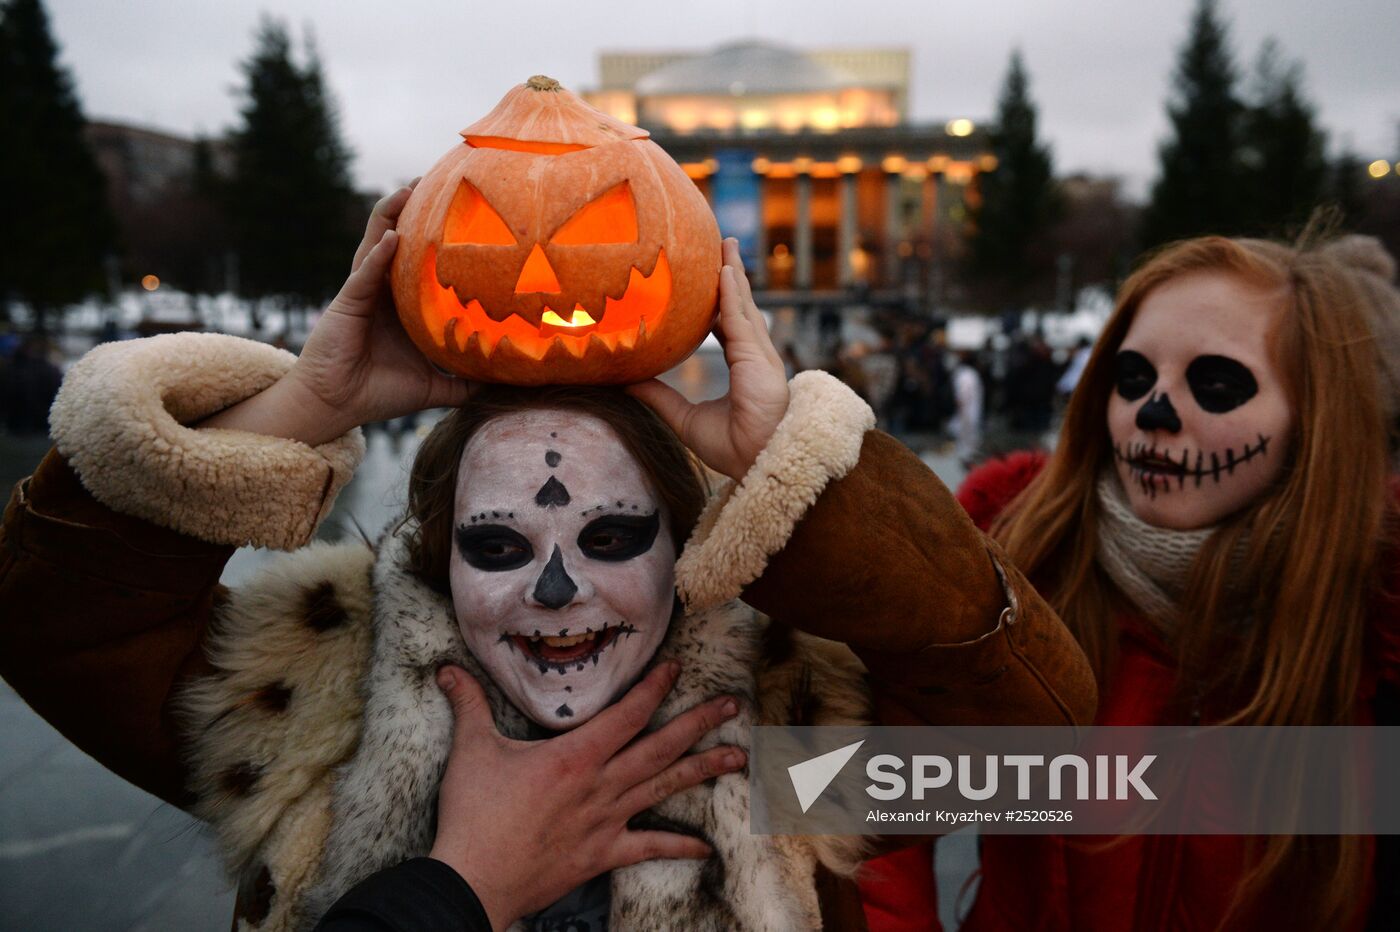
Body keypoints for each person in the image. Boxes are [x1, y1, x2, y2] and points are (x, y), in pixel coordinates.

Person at [0, 188, 1095, 930]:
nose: (557, 589)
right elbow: (55, 624)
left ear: (685, 546)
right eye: (495, 544)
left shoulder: (766, 743)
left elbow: (1034, 750)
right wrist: (300, 405)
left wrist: (801, 473)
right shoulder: (328, 712)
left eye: (613, 535)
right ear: (435, 562)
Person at [860, 229, 1400, 931]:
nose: (1153, 414)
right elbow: (841, 801)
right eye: (1134, 377)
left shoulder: (1377, 620)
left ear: (1317, 418)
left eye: (1215, 383)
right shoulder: (1013, 582)